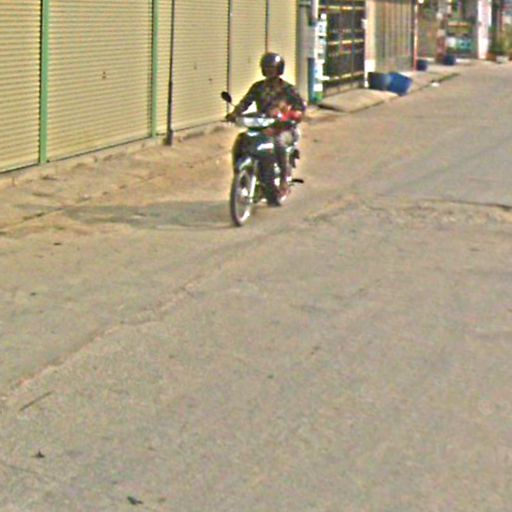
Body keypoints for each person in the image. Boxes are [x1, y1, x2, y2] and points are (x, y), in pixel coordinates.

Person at [226, 52, 306, 200]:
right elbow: (245, 102)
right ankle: (243, 177)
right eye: (266, 68)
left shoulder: (288, 89)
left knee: (279, 143)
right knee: (241, 141)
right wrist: (234, 114)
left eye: (272, 68)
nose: (269, 71)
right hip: (262, 126)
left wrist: (290, 117)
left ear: (279, 69)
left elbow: (300, 108)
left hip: (284, 128)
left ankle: (283, 182)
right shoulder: (258, 87)